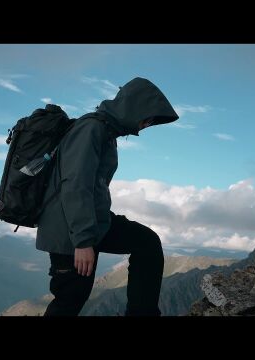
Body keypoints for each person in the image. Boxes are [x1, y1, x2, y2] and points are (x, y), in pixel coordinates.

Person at [35, 77, 179, 316]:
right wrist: (82, 241)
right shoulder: (91, 128)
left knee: (147, 243)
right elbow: (76, 184)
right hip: (70, 233)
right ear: (135, 107)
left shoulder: (106, 131)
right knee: (70, 299)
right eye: (148, 117)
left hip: (94, 224)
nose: (147, 124)